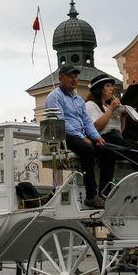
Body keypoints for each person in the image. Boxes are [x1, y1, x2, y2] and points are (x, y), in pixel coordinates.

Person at [43, 62, 113, 209]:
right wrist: (82, 137)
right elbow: (60, 121)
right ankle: (91, 195)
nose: (74, 79)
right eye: (70, 77)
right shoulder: (54, 96)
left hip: (80, 135)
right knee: (88, 150)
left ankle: (105, 193)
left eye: (75, 77)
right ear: (61, 78)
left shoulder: (78, 99)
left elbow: (87, 121)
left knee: (107, 151)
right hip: (64, 136)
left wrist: (96, 137)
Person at [84, 75, 138, 192]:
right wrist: (111, 110)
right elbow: (96, 127)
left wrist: (123, 117)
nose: (112, 89)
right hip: (104, 137)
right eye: (108, 86)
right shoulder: (91, 105)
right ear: (99, 89)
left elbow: (120, 131)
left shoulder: (108, 106)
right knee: (135, 153)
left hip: (116, 137)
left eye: (112, 86)